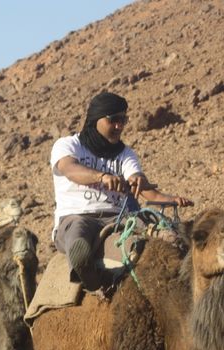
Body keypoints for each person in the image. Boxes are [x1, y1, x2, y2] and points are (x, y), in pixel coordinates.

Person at [51, 91, 193, 289]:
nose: (119, 126)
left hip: (120, 217)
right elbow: (69, 169)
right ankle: (97, 288)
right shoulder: (68, 145)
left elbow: (142, 187)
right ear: (96, 119)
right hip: (78, 217)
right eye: (114, 120)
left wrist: (169, 198)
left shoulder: (125, 153)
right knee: (80, 250)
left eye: (123, 120)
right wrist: (101, 177)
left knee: (170, 238)